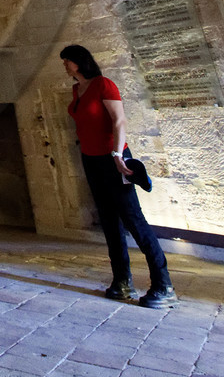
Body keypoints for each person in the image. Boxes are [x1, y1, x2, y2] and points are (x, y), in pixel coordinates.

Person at [60, 44, 176, 308]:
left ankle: (163, 284)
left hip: (114, 159)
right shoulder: (77, 89)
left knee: (133, 219)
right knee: (109, 222)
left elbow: (119, 121)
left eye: (67, 61)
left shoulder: (104, 84)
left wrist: (117, 155)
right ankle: (122, 281)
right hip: (91, 160)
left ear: (80, 61)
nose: (65, 65)